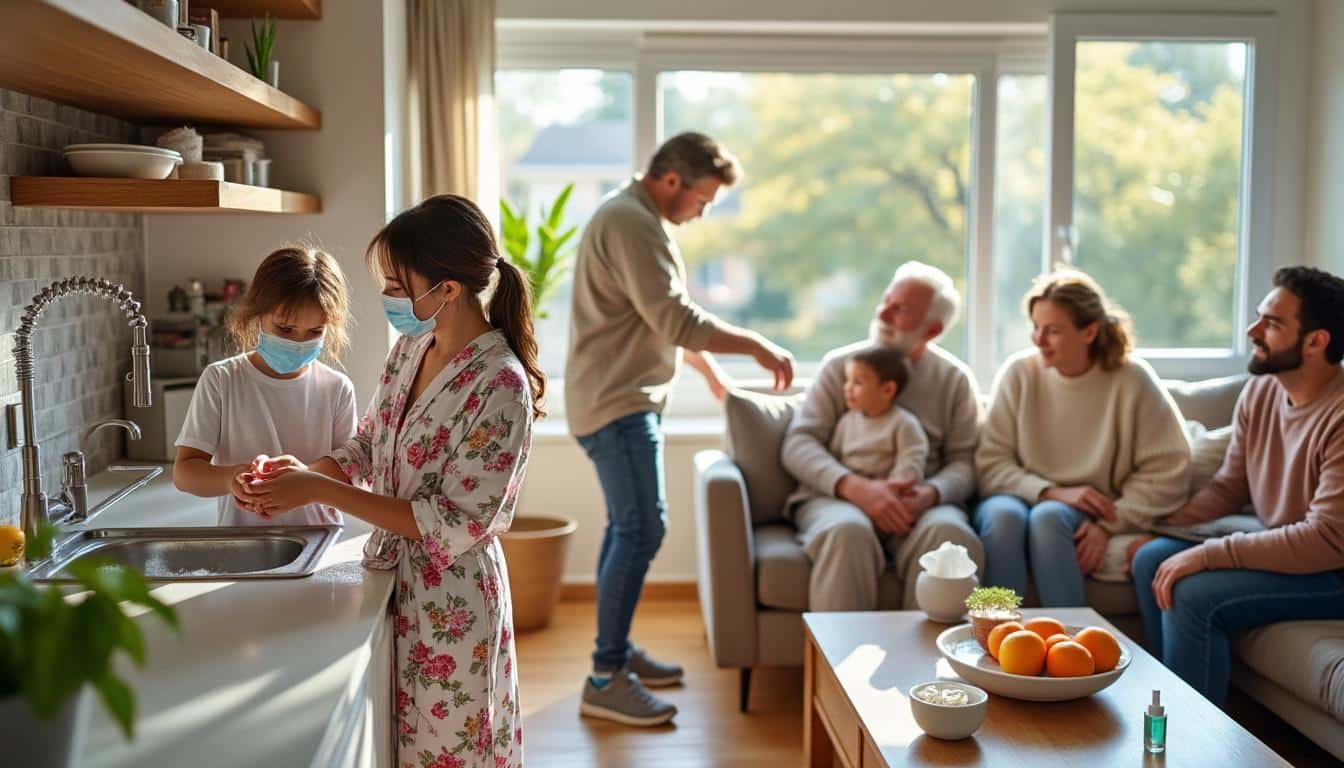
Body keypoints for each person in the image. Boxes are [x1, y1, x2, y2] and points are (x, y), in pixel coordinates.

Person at [238, 196, 540, 766]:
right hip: (390, 585)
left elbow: (454, 522)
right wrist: (301, 474)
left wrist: (318, 490)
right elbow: (369, 442)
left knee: (450, 754)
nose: (388, 299)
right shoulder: (411, 348)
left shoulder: (501, 385)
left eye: (398, 286)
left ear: (446, 289)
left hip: (451, 606)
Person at [566, 132, 795, 727]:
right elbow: (673, 315)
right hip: (618, 403)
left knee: (628, 528)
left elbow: (650, 316)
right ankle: (605, 675)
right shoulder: (632, 222)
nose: (703, 211)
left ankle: (615, 653)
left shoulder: (634, 216)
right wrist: (755, 346)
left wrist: (708, 365)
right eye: (703, 199)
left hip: (618, 398)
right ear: (672, 181)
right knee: (643, 528)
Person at [1132, 266, 1344, 707]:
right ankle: (1163, 704)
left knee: (1191, 595)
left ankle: (1197, 742)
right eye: (1259, 317)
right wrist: (1163, 526)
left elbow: (1326, 539)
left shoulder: (1339, 416)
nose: (1253, 331)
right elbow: (1230, 486)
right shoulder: (1261, 392)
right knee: (1151, 559)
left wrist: (1206, 554)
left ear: (1316, 341)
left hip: (1333, 569)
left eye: (1272, 323)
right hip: (1292, 551)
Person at [973, 268, 1190, 606]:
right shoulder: (1018, 374)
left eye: (1053, 331)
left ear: (1089, 332)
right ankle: (994, 636)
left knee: (1048, 518)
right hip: (1018, 495)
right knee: (1003, 518)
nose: (1038, 341)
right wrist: (1051, 491)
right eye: (1036, 328)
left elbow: (1169, 470)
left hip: (1089, 508)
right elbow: (990, 465)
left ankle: (1068, 643)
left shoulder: (1132, 380)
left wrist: (1110, 523)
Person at [783, 260, 985, 612]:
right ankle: (836, 664)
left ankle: (927, 665)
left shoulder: (954, 379)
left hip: (918, 506)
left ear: (932, 329)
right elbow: (799, 443)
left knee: (950, 537)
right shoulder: (840, 367)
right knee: (847, 532)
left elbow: (966, 462)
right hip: (839, 499)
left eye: (902, 309)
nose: (884, 313)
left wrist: (929, 494)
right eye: (886, 301)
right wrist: (855, 488)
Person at [173, 246, 356, 526]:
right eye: (285, 329)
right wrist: (229, 478)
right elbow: (185, 473)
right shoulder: (222, 380)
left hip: (318, 542)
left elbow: (350, 472)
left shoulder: (336, 388)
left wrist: (305, 476)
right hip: (243, 542)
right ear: (258, 314)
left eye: (315, 332)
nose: (298, 342)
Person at [802, 345, 928, 495]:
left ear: (888, 390)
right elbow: (834, 457)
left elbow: (911, 462)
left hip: (890, 494)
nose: (847, 388)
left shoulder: (904, 424)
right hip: (851, 496)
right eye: (847, 380)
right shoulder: (846, 422)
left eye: (857, 382)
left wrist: (893, 490)